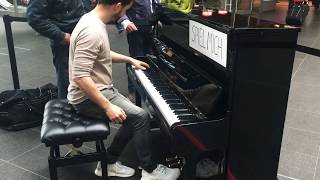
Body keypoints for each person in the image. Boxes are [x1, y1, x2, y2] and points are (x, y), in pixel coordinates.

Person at [67, 0, 181, 179]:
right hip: (86, 97)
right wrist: (107, 106)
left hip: (99, 89)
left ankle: (109, 162)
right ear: (118, 6)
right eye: (126, 9)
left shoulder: (92, 20)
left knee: (133, 116)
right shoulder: (92, 31)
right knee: (141, 117)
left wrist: (130, 59)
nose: (123, 14)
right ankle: (150, 170)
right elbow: (80, 77)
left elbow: (102, 53)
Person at [27, 0, 91, 98]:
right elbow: (35, 17)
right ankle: (65, 109)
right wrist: (61, 36)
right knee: (67, 82)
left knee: (89, 77)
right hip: (65, 42)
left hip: (86, 37)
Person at [117, 0, 157, 101]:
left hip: (151, 28)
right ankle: (133, 92)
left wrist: (157, 18)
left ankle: (150, 92)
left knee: (152, 60)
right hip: (136, 29)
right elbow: (120, 4)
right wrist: (125, 21)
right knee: (136, 59)